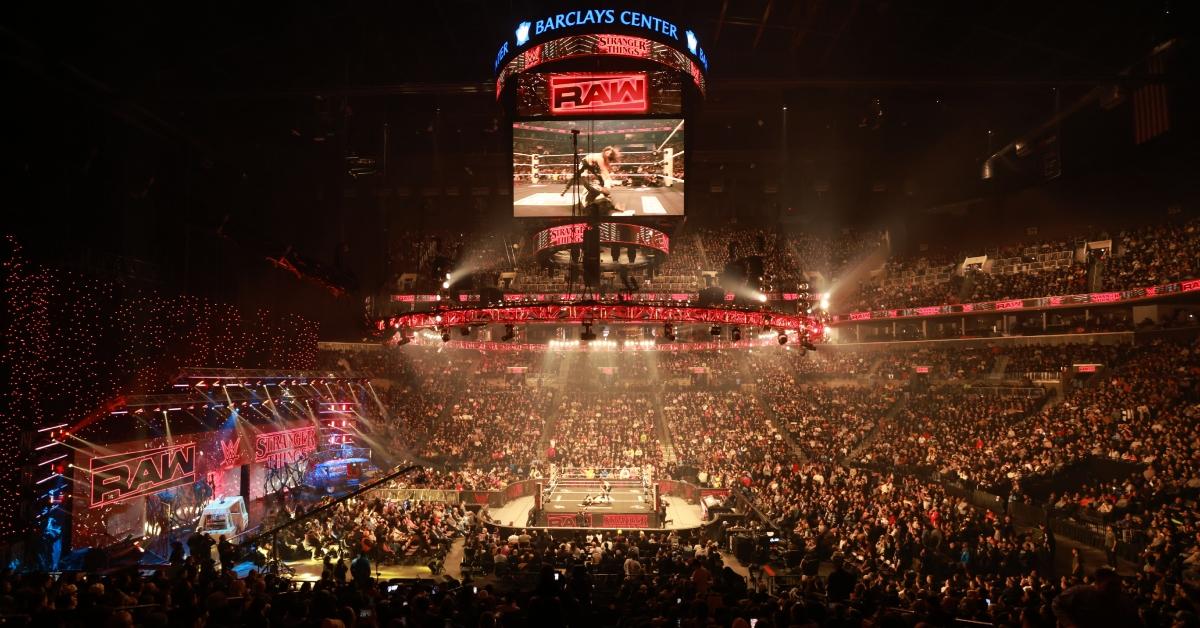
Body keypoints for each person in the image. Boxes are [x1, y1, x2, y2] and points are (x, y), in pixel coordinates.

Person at [1052, 566, 1142, 627]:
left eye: (1116, 585)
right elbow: (1057, 603)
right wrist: (1069, 625)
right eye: (1110, 585)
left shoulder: (1123, 601)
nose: (1114, 588)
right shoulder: (1081, 592)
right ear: (1097, 584)